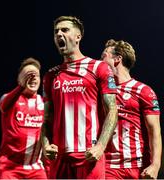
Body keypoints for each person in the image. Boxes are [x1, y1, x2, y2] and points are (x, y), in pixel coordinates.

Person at [40, 16, 118, 179]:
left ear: (78, 36)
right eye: (56, 32)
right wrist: (46, 145)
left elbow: (112, 110)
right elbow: (46, 118)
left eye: (65, 30)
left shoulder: (99, 67)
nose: (59, 34)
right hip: (60, 159)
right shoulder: (50, 75)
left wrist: (101, 146)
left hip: (89, 156)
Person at [101, 39, 162, 179]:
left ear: (117, 59)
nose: (98, 62)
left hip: (138, 167)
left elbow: (154, 131)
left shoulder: (143, 90)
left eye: (103, 56)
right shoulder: (100, 92)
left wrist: (155, 165)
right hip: (108, 167)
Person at [0, 57, 48, 179]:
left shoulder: (45, 104)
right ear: (19, 80)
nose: (32, 78)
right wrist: (20, 87)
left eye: (36, 75)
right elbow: (3, 105)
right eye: (27, 75)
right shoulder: (8, 101)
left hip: (35, 168)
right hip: (9, 168)